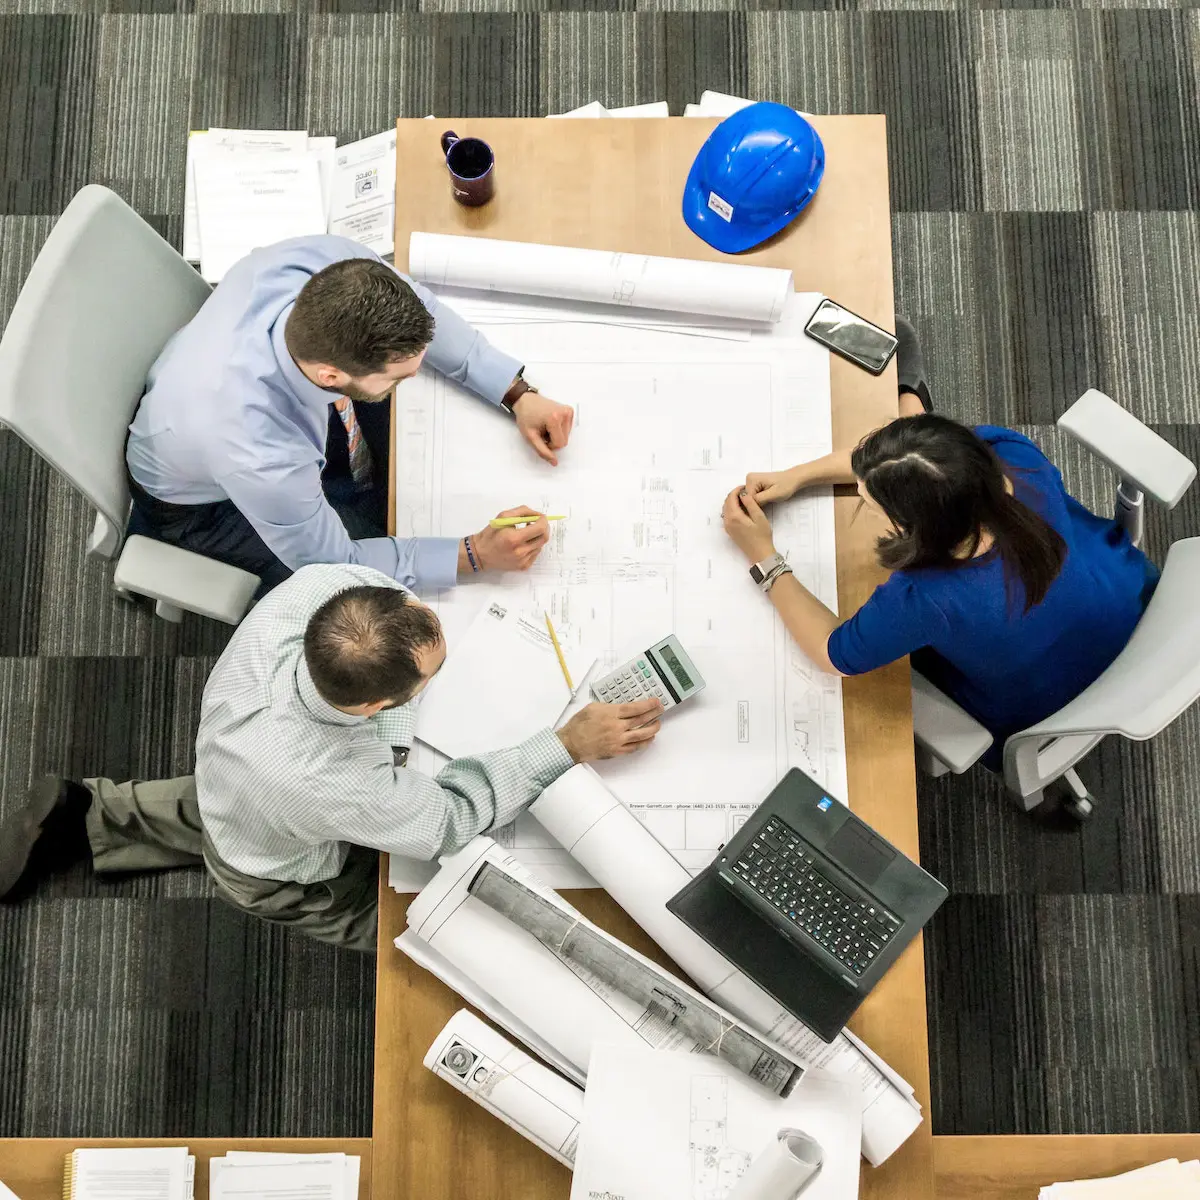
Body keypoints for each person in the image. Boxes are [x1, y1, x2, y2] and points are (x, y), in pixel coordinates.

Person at [0, 564, 663, 948]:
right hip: (276, 867)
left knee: (220, 803)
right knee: (416, 925)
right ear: (374, 707)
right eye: (429, 680)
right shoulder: (331, 782)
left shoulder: (321, 591)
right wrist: (565, 744)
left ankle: (87, 813)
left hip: (231, 770)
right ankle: (423, 942)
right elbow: (450, 819)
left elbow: (389, 599)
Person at [721, 320, 1157, 812]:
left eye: (871, 499)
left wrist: (764, 557)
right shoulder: (1010, 455)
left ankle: (910, 396)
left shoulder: (927, 599)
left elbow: (832, 652)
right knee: (902, 359)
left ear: (916, 527)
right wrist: (797, 477)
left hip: (1042, 699)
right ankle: (912, 398)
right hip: (1127, 599)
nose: (862, 495)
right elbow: (928, 463)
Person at [126, 235, 578, 593]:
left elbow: (425, 312)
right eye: (399, 376)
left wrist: (515, 392)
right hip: (201, 506)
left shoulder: (326, 262)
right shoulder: (259, 452)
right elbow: (335, 564)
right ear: (330, 374)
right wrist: (474, 554)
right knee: (363, 587)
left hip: (202, 395)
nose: (416, 376)